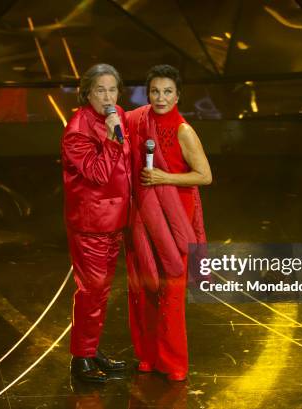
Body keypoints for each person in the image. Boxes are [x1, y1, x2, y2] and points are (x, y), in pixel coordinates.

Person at [125, 64, 211, 381]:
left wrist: (164, 177)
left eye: (167, 92)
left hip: (176, 214)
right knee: (143, 287)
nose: (161, 98)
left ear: (178, 96)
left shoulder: (183, 130)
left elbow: (205, 175)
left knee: (171, 292)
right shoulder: (138, 120)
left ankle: (174, 363)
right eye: (155, 91)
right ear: (148, 94)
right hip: (142, 212)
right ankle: (148, 356)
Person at [61, 63, 131, 383]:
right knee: (90, 292)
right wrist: (114, 138)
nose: (107, 97)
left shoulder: (114, 116)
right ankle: (81, 360)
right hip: (91, 223)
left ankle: (91, 350)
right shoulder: (77, 130)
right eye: (100, 90)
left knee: (101, 293)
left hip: (115, 219)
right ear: (86, 92)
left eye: (112, 89)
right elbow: (100, 174)